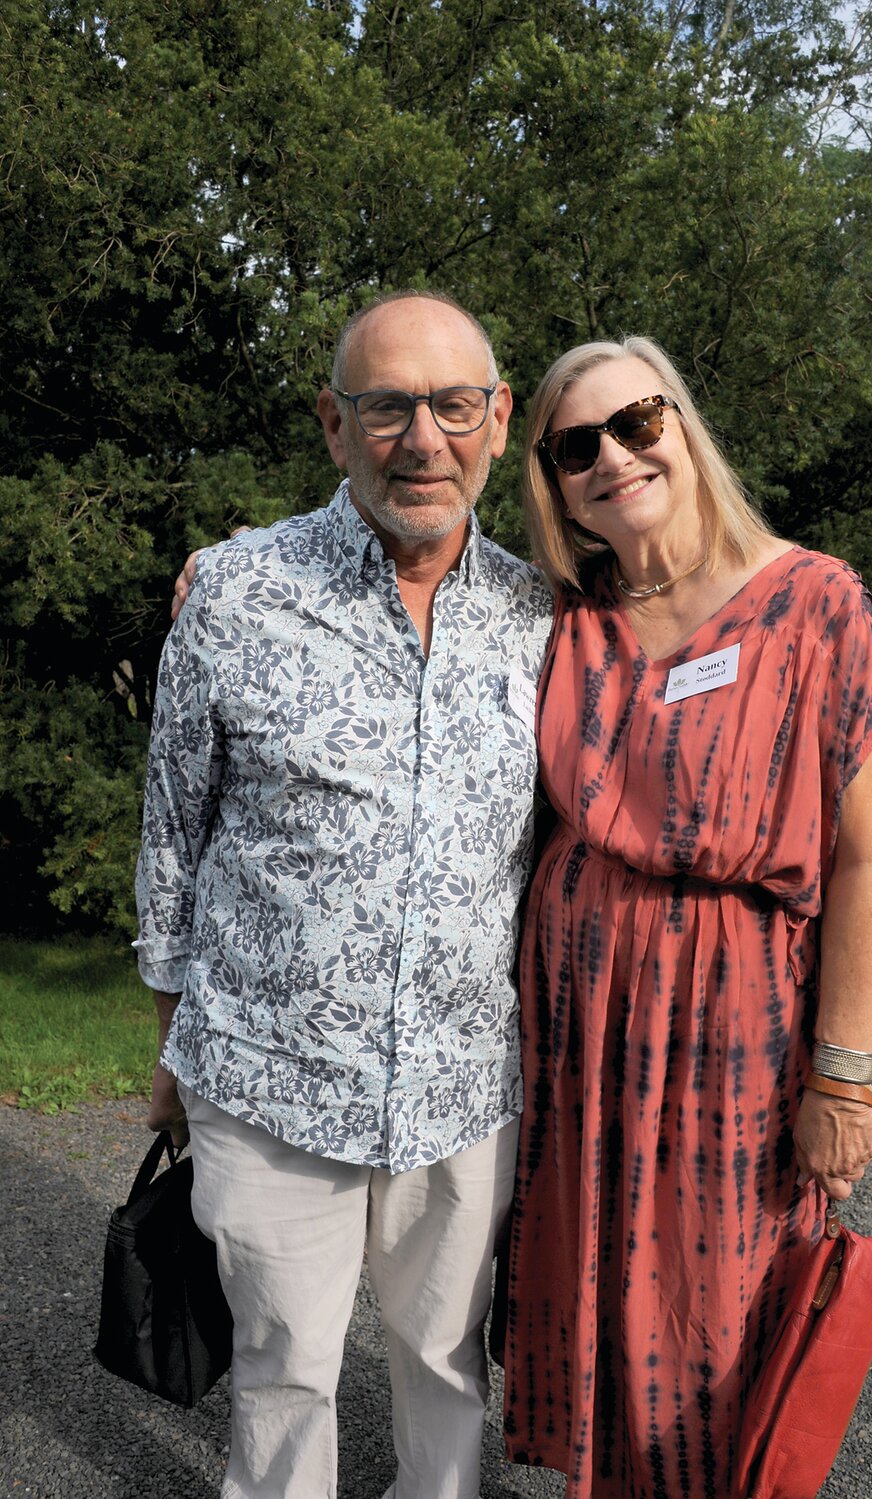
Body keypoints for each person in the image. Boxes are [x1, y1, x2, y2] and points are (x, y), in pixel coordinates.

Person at [134, 291, 554, 1499]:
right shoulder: (231, 594)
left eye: (452, 403)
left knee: (444, 1358)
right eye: (385, 406)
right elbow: (171, 838)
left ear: (496, 416)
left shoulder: (544, 619)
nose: (421, 437)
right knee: (283, 1368)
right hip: (265, 1076)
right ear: (333, 424)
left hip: (464, 1081)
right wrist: (174, 1047)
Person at [500, 337, 872, 1499]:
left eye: (635, 423)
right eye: (575, 447)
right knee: (601, 1302)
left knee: (723, 1319)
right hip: (579, 1030)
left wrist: (840, 1076)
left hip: (736, 1022)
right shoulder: (561, 612)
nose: (612, 460)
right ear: (554, 482)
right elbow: (408, 561)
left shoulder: (812, 599)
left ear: (679, 420)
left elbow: (866, 860)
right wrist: (236, 564)